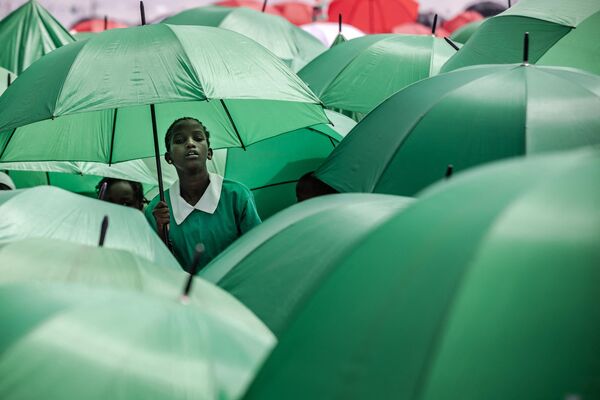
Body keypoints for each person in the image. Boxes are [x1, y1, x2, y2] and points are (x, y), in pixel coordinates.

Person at [145, 117, 261, 271]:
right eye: (179, 140)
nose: (190, 143)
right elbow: (154, 266)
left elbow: (258, 252)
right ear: (168, 158)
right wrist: (161, 232)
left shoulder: (237, 196)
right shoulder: (157, 209)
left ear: (210, 153)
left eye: (198, 138)